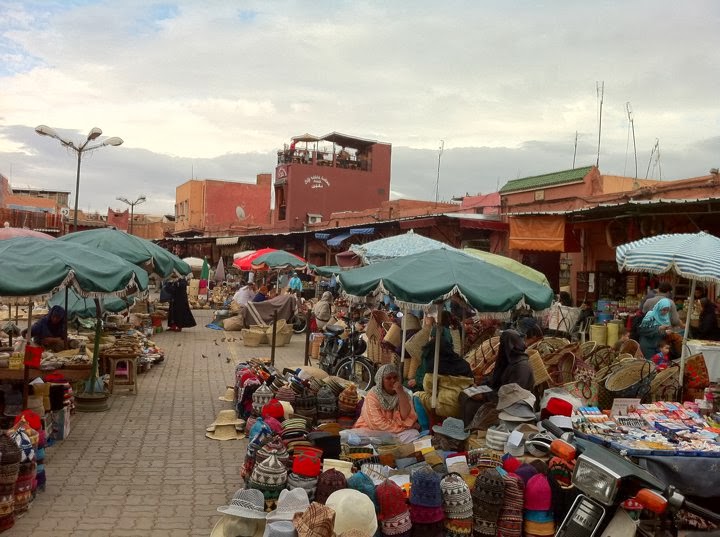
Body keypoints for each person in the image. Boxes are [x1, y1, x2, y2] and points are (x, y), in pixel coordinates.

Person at [354, 364, 420, 443]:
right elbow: (377, 424)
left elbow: (405, 416)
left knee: (414, 434)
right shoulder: (372, 395)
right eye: (388, 378)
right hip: (373, 431)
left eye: (395, 377)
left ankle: (392, 443)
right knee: (361, 438)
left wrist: (400, 393)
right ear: (381, 381)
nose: (393, 380)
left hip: (395, 432)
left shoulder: (403, 393)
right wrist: (403, 428)